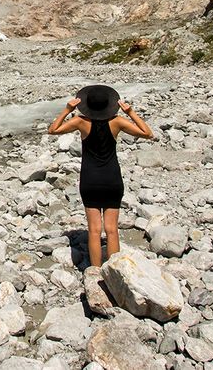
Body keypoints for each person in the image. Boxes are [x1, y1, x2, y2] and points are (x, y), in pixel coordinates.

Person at [48, 84, 153, 267]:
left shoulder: (81, 122)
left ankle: (95, 272)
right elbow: (147, 133)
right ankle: (114, 271)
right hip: (112, 179)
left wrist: (67, 109)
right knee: (112, 230)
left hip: (90, 180)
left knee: (94, 231)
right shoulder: (117, 121)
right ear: (109, 105)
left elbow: (53, 130)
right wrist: (130, 111)